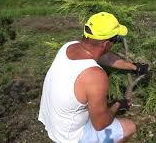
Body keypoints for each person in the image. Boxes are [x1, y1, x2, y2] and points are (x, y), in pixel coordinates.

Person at [38, 12, 149, 143]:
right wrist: (118, 105)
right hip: (69, 137)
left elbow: (104, 57)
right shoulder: (95, 76)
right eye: (116, 40)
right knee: (129, 127)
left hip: (53, 122)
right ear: (107, 45)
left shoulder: (69, 46)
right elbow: (100, 124)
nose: (116, 43)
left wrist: (134, 67)